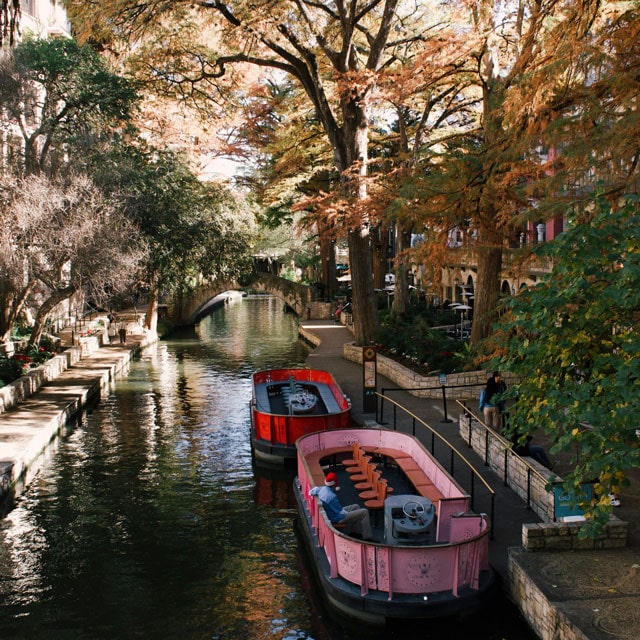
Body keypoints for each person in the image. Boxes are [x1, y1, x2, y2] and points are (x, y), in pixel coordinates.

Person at [309, 471, 373, 540]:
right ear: (334, 484)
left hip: (332, 512)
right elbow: (340, 512)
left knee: (356, 506)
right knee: (364, 512)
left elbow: (312, 491)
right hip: (336, 518)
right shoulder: (331, 497)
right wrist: (349, 513)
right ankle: (367, 537)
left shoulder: (321, 489)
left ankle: (354, 533)